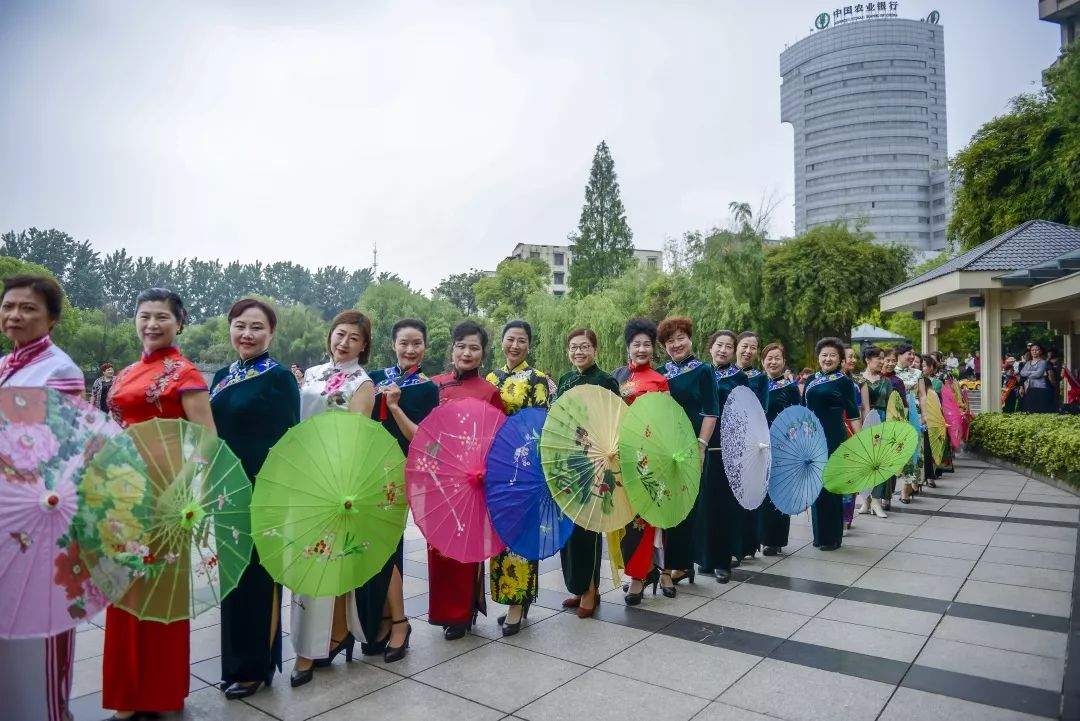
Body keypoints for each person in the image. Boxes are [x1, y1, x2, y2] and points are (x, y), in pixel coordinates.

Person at [102, 288, 215, 720]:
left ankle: (164, 693)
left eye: (162, 317)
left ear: (179, 323)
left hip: (167, 487)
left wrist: (178, 490)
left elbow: (207, 437)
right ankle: (127, 693)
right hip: (121, 488)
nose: (152, 324)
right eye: (144, 315)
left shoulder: (185, 373)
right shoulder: (128, 372)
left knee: (163, 590)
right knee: (124, 587)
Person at [0, 275, 85, 721]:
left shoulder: (60, 370)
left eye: (28, 308)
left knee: (40, 631)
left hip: (39, 521)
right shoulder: (4, 364)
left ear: (51, 318)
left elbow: (58, 446)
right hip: (3, 517)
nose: (15, 315)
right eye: (9, 306)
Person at [210, 299, 300, 699]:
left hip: (261, 490)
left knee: (257, 578)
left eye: (256, 328)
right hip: (223, 489)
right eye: (240, 326)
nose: (246, 334)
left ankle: (256, 666)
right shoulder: (220, 377)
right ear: (230, 328)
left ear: (271, 333)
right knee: (231, 577)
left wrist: (274, 490)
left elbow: (287, 441)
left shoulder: (279, 378)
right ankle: (234, 663)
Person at [290, 310, 376, 687]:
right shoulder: (310, 375)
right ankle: (330, 635)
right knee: (306, 563)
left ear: (364, 346)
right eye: (339, 335)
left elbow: (356, 438)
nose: (343, 343)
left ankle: (310, 650)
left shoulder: (362, 383)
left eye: (353, 339)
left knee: (325, 561)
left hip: (334, 480)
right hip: (301, 476)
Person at [361, 318, 439, 661]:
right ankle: (380, 617)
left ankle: (400, 622)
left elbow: (422, 439)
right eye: (404, 343)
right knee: (371, 546)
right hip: (368, 474)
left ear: (424, 347)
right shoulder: (374, 379)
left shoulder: (426, 388)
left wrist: (394, 407)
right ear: (393, 344)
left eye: (416, 343)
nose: (410, 349)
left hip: (400, 472)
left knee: (390, 547)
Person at [429, 320, 505, 639]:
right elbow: (424, 431)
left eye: (474, 347)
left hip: (472, 480)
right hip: (437, 478)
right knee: (438, 549)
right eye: (461, 346)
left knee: (463, 545)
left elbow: (498, 437)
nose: (467, 352)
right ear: (452, 349)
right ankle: (444, 610)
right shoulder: (435, 385)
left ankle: (461, 613)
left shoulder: (489, 392)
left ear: (483, 354)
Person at [485, 320, 556, 635]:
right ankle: (514, 597)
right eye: (510, 339)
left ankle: (517, 604)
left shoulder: (537, 379)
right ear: (502, 342)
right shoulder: (491, 378)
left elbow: (541, 423)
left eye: (522, 341)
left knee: (521, 536)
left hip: (524, 467)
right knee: (500, 536)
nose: (515, 346)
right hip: (495, 469)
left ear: (529, 345)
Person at [555, 328, 621, 618]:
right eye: (573, 347)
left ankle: (591, 591)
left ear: (595, 349)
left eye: (584, 347)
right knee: (569, 530)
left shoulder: (606, 381)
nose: (578, 352)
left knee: (588, 529)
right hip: (568, 460)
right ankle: (578, 586)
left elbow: (614, 421)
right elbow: (559, 417)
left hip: (594, 462)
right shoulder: (565, 380)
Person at [655, 317, 718, 586]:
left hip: (690, 447)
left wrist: (701, 447)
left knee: (686, 506)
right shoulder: (661, 373)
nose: (676, 344)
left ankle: (677, 565)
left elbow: (711, 411)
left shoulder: (703, 370)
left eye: (681, 338)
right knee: (665, 504)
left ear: (690, 339)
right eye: (670, 341)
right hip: (664, 448)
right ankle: (669, 563)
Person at [613, 318, 671, 604]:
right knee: (621, 516)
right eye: (636, 344)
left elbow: (666, 421)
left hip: (647, 457)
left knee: (642, 517)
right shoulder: (617, 377)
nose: (642, 349)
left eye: (647, 344)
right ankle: (639, 570)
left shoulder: (660, 381)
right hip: (619, 456)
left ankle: (638, 577)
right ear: (628, 347)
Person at [804, 337, 861, 551]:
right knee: (816, 486)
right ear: (818, 357)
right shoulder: (810, 380)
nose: (828, 359)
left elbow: (853, 414)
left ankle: (832, 538)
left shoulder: (845, 382)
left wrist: (860, 442)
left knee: (832, 485)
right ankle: (819, 536)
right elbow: (803, 410)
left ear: (840, 359)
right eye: (824, 355)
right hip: (812, 438)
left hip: (834, 437)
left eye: (833, 355)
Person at [699, 328, 747, 582]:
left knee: (723, 506)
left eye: (729, 346)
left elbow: (746, 414)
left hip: (727, 449)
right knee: (704, 505)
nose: (723, 350)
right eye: (719, 345)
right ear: (710, 347)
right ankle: (705, 558)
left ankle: (722, 561)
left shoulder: (740, 378)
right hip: (699, 446)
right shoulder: (701, 373)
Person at [759, 342, 800, 555]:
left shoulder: (790, 388)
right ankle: (758, 536)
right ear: (763, 361)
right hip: (758, 446)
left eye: (777, 358)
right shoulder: (756, 383)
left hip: (782, 446)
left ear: (784, 362)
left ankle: (774, 540)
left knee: (778, 491)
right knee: (759, 491)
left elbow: (798, 418)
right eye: (769, 358)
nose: (772, 362)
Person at [734, 331, 768, 558]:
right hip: (727, 442)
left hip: (751, 442)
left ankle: (748, 544)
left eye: (753, 348)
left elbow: (761, 411)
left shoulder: (760, 377)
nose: (748, 351)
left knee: (750, 491)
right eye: (744, 346)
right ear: (736, 347)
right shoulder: (719, 372)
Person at [856, 346, 891, 518]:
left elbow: (893, 406)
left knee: (880, 461)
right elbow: (860, 406)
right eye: (879, 358)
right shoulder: (858, 380)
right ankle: (866, 499)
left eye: (883, 358)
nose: (882, 361)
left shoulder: (887, 381)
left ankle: (877, 500)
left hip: (883, 421)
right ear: (868, 360)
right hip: (865, 421)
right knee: (866, 462)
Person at [1020, 341, 1057, 413]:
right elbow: (1022, 374)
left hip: (1043, 389)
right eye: (1032, 350)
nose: (1034, 352)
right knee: (1030, 411)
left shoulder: (1046, 363)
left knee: (1042, 411)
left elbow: (1044, 375)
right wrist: (1021, 387)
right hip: (1030, 389)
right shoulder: (1027, 363)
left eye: (1036, 350)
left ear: (1041, 351)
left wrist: (1028, 373)